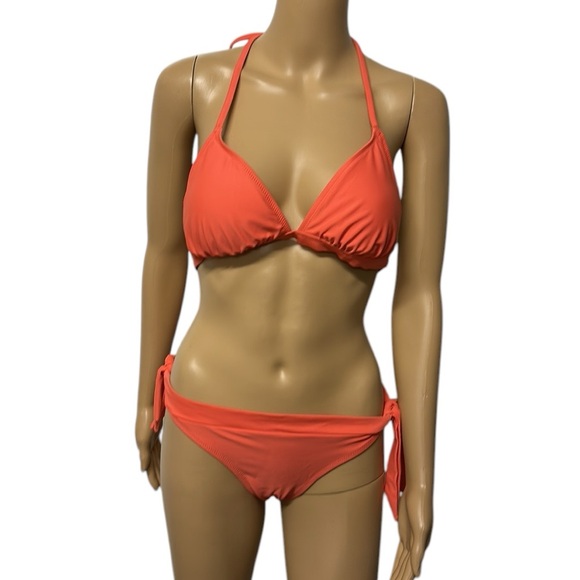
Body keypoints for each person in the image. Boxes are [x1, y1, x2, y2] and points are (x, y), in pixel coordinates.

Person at [135, 1, 449, 578]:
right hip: (208, 419)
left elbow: (419, 296)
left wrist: (422, 476)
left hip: (342, 433)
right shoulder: (192, 85)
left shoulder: (411, 105)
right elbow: (162, 252)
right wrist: (143, 398)